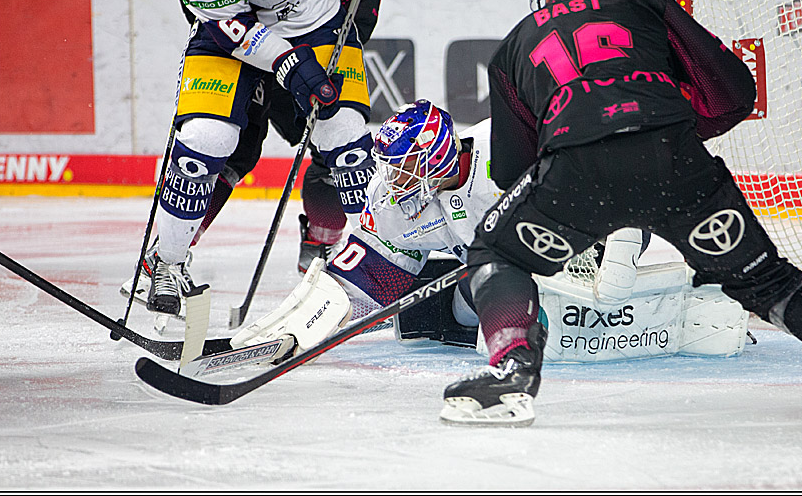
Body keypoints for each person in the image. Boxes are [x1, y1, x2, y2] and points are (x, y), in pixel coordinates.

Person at [436, 0, 802, 426]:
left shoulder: (516, 42)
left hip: (578, 174)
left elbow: (512, 169)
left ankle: (513, 375)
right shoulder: (648, 4)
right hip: (675, 160)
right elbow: (735, 92)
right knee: (766, 279)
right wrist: (669, 124)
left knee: (494, 254)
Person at [233, 100, 748, 364]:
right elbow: (371, 267)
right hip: (505, 272)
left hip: (579, 247)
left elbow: (603, 179)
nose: (393, 177)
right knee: (452, 305)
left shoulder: (508, 152)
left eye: (404, 165)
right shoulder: (397, 199)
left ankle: (694, 304)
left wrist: (618, 240)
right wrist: (324, 319)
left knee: (581, 309)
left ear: (434, 156)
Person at [138, 0, 401, 317]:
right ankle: (165, 263)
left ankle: (386, 263)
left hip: (316, 19)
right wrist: (287, 63)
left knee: (345, 138)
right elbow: (226, 26)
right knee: (206, 140)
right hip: (232, 39)